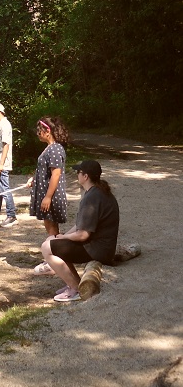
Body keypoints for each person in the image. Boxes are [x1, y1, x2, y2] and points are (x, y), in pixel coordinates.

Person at [40, 160, 119, 302]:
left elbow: (83, 235)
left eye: (79, 172)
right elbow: (79, 226)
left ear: (86, 176)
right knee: (52, 241)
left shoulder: (92, 197)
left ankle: (75, 289)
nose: (77, 175)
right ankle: (74, 283)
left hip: (98, 249)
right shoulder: (98, 192)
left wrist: (62, 238)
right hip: (101, 246)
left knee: (47, 247)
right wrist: (60, 237)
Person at [27, 116, 69, 275]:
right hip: (47, 193)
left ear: (48, 131)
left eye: (40, 130)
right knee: (50, 226)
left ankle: (54, 260)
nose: (38, 133)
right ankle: (55, 257)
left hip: (52, 195)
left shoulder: (56, 149)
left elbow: (56, 174)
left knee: (52, 227)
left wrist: (48, 197)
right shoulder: (49, 148)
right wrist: (34, 178)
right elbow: (45, 170)